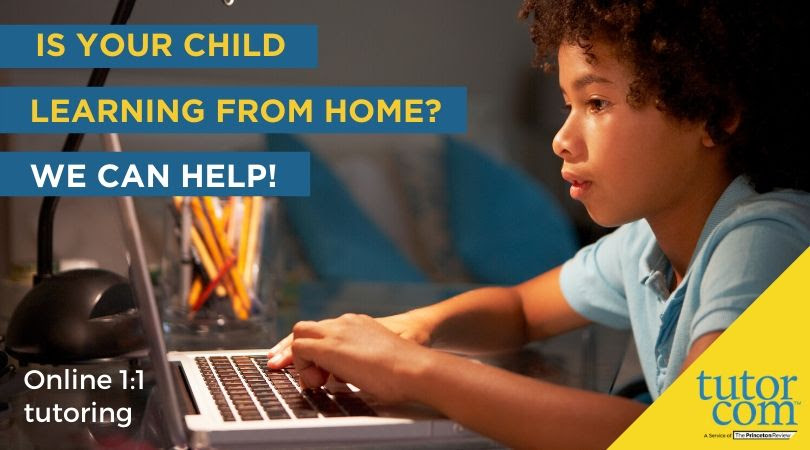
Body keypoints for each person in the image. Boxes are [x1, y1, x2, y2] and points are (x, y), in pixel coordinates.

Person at [267, 1, 810, 448]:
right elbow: (522, 310)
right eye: (568, 105)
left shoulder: (764, 238)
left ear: (713, 114)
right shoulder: (648, 242)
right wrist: (412, 327)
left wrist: (412, 370)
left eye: (596, 102)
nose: (562, 139)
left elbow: (690, 438)